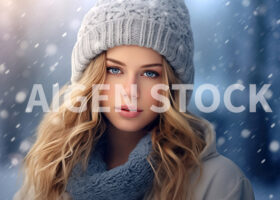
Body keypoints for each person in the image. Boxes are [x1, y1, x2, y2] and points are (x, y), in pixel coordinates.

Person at [14, 0, 255, 199]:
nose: (131, 91)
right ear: (91, 77)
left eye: (150, 73)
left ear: (172, 85)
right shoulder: (49, 175)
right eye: (114, 70)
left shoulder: (219, 184)